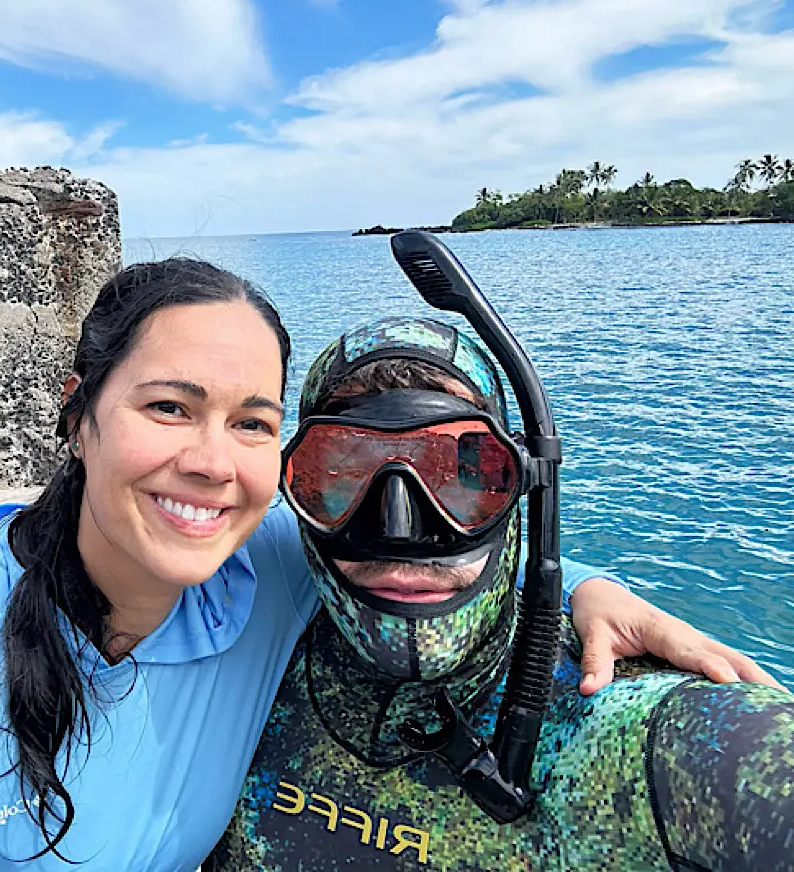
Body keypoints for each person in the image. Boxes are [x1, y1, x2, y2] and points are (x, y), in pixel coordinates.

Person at [0, 259, 774, 871]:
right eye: (168, 407)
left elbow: (426, 560)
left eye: (251, 423)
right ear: (79, 415)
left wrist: (586, 588)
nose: (211, 462)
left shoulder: (262, 571)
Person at [208, 312, 794, 871]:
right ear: (290, 490)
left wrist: (577, 586)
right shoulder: (247, 650)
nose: (400, 530)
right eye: (340, 476)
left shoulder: (648, 739)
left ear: (517, 484)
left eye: (459, 477)